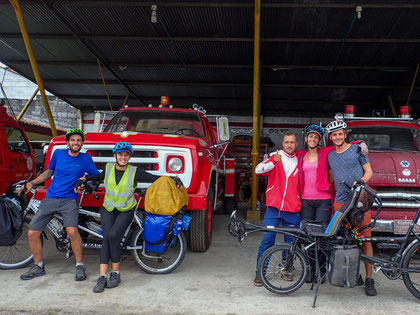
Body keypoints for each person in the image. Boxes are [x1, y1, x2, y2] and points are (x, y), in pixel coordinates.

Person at [77, 142, 183, 293]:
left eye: (126, 155)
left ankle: (115, 274)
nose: (123, 157)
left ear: (129, 157)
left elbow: (155, 178)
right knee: (106, 237)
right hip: (108, 209)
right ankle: (102, 276)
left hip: (126, 209)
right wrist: (83, 180)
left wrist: (173, 178)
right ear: (115, 156)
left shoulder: (135, 171)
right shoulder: (108, 168)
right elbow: (97, 176)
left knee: (114, 236)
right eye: (120, 154)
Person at [18, 128, 99, 281]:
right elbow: (49, 172)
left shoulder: (86, 158)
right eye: (73, 140)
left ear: (82, 143)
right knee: (32, 232)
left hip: (69, 200)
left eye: (79, 140)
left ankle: (79, 265)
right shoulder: (58, 154)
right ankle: (38, 266)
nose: (76, 143)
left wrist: (84, 181)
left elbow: (95, 176)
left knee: (72, 231)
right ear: (68, 142)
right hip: (51, 198)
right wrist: (32, 183)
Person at [326, 119, 376, 296]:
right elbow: (331, 178)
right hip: (340, 202)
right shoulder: (330, 156)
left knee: (365, 240)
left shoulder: (357, 149)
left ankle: (370, 279)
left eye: (340, 133)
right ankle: (356, 274)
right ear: (330, 137)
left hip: (359, 202)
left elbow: (369, 171)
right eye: (334, 134)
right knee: (347, 240)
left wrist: (361, 181)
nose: (338, 137)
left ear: (345, 134)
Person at [253, 133, 301, 286]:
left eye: (292, 142)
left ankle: (286, 270)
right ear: (283, 143)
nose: (289, 145)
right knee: (267, 240)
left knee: (290, 242)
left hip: (293, 209)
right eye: (286, 142)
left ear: (296, 144)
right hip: (274, 208)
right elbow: (258, 170)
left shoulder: (300, 160)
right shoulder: (275, 156)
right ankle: (260, 273)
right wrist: (272, 161)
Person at [297, 124, 332, 282]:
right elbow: (286, 153)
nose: (312, 139)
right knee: (308, 236)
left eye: (315, 137)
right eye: (310, 136)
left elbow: (342, 147)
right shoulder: (300, 155)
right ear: (306, 139)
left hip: (323, 201)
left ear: (319, 140)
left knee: (321, 237)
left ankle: (322, 271)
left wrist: (360, 143)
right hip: (306, 200)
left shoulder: (324, 152)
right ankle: (310, 270)